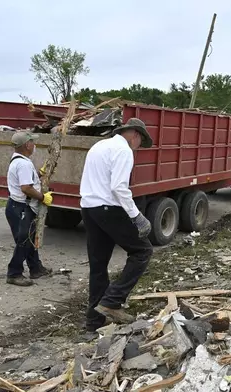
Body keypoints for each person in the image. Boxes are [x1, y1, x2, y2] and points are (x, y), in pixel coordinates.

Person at [79, 118, 154, 331]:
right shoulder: (123, 151)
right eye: (141, 141)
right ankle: (112, 301)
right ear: (135, 135)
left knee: (98, 265)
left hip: (89, 207)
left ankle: (94, 322)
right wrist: (136, 216)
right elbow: (119, 187)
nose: (139, 146)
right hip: (108, 208)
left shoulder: (98, 146)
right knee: (142, 251)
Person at [5, 131, 53, 286]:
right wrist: (42, 197)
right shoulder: (23, 163)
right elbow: (26, 188)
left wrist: (39, 173)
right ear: (27, 145)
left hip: (18, 207)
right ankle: (14, 273)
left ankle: (36, 268)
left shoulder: (20, 161)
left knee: (30, 239)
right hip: (22, 208)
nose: (34, 145)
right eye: (32, 142)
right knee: (24, 241)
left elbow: (27, 180)